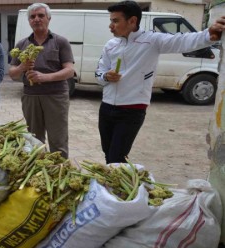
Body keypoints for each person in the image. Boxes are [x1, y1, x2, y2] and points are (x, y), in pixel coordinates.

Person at [95, 0, 225, 164]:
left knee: (117, 158)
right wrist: (106, 76)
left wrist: (208, 35)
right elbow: (99, 72)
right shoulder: (110, 45)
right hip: (106, 107)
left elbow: (181, 40)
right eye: (111, 21)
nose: (110, 26)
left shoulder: (151, 41)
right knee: (108, 154)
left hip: (131, 109)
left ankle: (121, 188)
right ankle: (114, 187)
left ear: (132, 21)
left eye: (115, 21)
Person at [8, 3, 75, 159]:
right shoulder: (22, 44)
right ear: (29, 21)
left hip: (56, 97)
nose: (36, 19)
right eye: (32, 17)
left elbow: (69, 70)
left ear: (48, 18)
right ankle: (38, 172)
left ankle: (59, 172)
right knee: (34, 139)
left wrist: (45, 77)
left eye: (40, 15)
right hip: (30, 97)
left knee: (58, 140)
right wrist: (22, 67)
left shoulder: (60, 42)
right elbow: (12, 73)